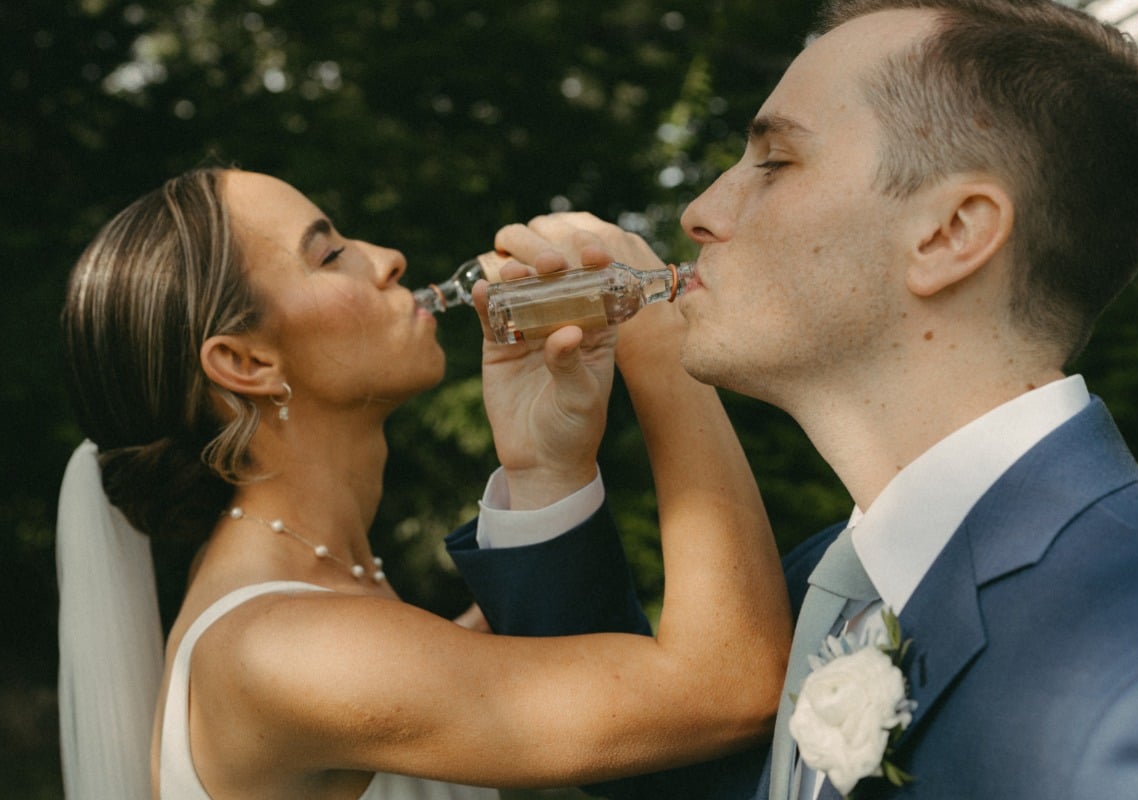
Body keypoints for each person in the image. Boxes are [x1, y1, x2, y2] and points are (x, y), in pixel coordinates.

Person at [443, 0, 1138, 798]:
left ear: (951, 234)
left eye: (774, 162)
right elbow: (645, 771)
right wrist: (547, 472)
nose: (699, 213)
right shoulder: (823, 592)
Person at [54, 166, 793, 799]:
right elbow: (729, 688)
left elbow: (626, 709)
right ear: (247, 365)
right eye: (331, 253)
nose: (388, 258)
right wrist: (654, 325)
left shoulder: (339, 613)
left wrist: (543, 471)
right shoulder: (284, 652)